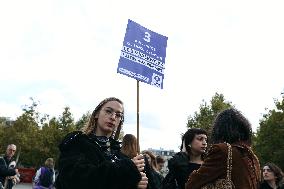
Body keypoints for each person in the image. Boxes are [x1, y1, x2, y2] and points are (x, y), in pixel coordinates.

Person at [55, 97, 148, 189]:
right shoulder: (77, 143)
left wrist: (135, 184)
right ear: (96, 114)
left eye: (118, 115)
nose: (113, 117)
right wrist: (127, 170)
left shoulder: (120, 153)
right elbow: (77, 181)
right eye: (108, 111)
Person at [185, 108, 261, 189]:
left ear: (219, 130)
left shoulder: (222, 150)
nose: (204, 143)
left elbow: (192, 183)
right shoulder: (252, 157)